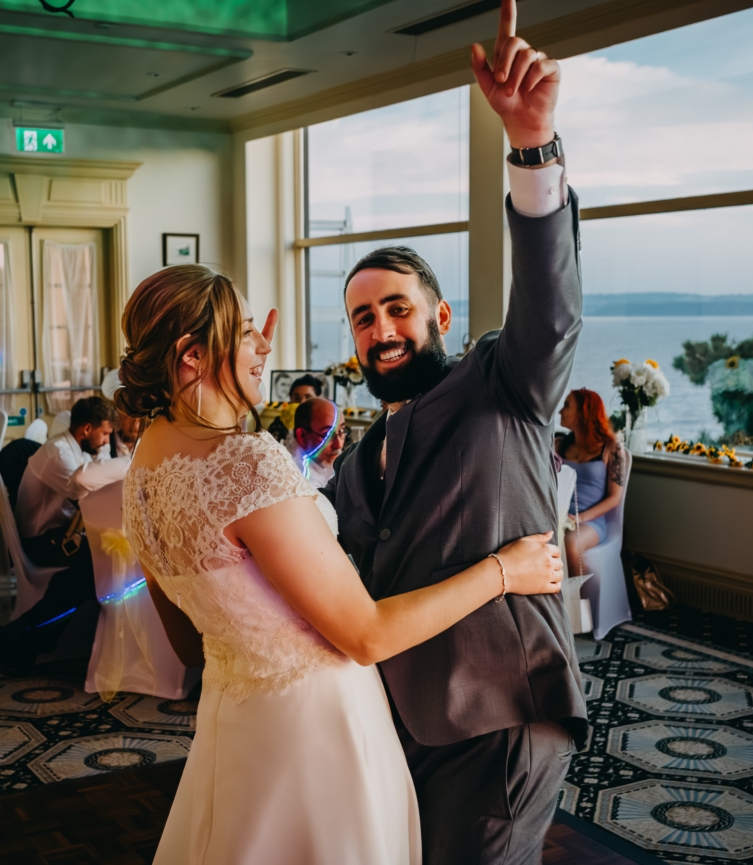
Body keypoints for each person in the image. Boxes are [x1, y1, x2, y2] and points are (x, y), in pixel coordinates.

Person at [117, 263, 563, 864]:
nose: (264, 344)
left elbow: (190, 643)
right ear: (192, 356)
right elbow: (366, 635)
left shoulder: (142, 468)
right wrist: (505, 571)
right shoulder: (246, 463)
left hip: (235, 728)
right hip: (320, 733)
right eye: (245, 331)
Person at [321, 3, 588, 861]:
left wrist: (532, 147)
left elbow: (549, 308)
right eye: (363, 318)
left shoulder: (501, 384)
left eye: (397, 308)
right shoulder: (362, 456)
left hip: (501, 720)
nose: (381, 329)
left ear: (438, 315)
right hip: (399, 722)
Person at [0, 396, 128, 665]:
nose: (107, 440)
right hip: (42, 542)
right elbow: (87, 499)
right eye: (106, 433)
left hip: (59, 537)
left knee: (94, 567)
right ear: (86, 429)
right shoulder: (59, 456)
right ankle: (22, 640)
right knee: (104, 561)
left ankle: (18, 640)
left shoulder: (77, 450)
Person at [555, 389, 624, 575]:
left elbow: (615, 497)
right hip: (558, 516)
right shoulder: (559, 444)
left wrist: (580, 518)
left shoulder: (611, 448)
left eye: (566, 405)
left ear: (583, 412)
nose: (560, 411)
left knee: (570, 543)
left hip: (590, 522)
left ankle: (578, 601)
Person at [287, 396, 345, 486]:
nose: (339, 445)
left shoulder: (323, 460)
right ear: (302, 436)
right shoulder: (298, 478)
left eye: (341, 430)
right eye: (327, 435)